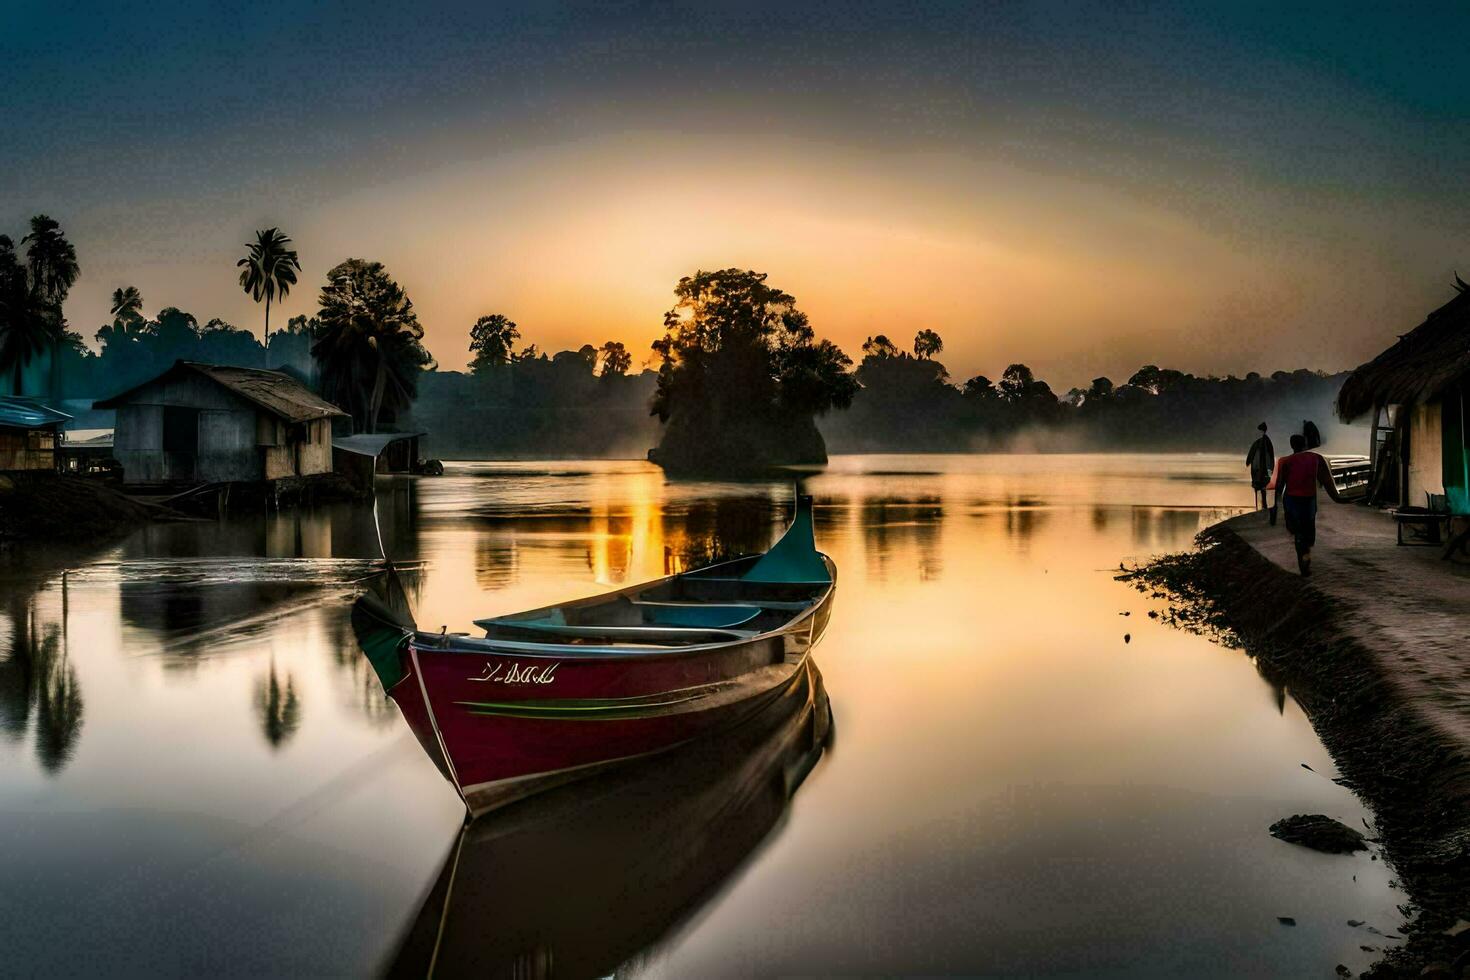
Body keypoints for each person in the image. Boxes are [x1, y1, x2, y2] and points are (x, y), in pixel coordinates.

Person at [1269, 433, 1347, 576]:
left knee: (1298, 532)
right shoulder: (1316, 459)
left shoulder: (1285, 461)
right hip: (1309, 500)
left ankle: (1303, 558)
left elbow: (1279, 486)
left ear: (1292, 445)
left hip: (1291, 501)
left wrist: (1274, 506)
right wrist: (1338, 498)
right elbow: (1327, 481)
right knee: (1308, 531)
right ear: (1305, 444)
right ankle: (1305, 558)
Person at [1245, 422, 1274, 511]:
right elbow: (1271, 456)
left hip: (1260, 469)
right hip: (1262, 469)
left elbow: (1251, 456)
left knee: (1260, 486)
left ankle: (1260, 505)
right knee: (1262, 487)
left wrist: (1249, 462)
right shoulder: (1265, 441)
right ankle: (1262, 505)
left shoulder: (1259, 442)